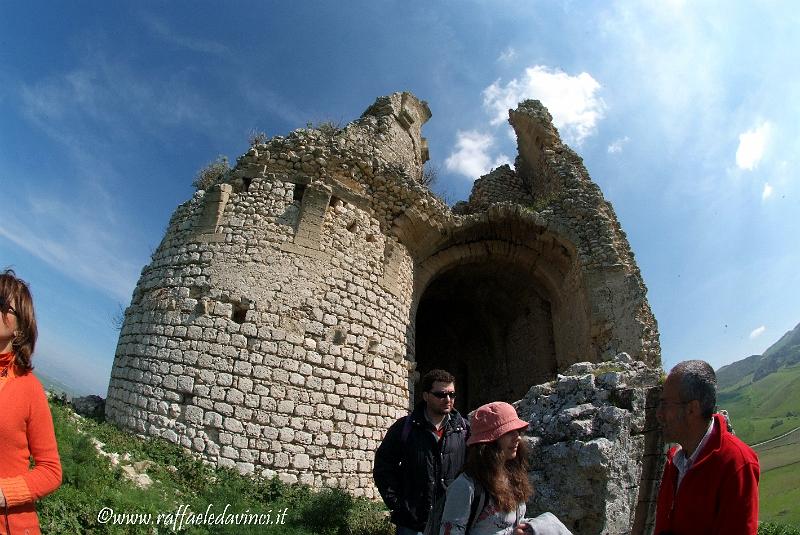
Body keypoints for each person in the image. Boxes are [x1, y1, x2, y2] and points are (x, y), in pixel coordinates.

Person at [655, 360, 759, 534]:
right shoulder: (676, 460)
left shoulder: (736, 463)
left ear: (692, 409)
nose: (658, 413)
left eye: (665, 404)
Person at [439, 401, 572, 535]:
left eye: (518, 431)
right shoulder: (465, 487)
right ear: (488, 443)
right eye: (509, 432)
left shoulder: (511, 476)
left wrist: (530, 528)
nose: (517, 437)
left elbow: (510, 524)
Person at [0, 269, 62, 535]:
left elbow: (51, 470)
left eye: (2, 305)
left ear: (20, 328)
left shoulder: (29, 389)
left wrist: (4, 492)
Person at [374, 369, 469, 535]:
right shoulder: (405, 428)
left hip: (451, 523)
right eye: (440, 394)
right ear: (426, 396)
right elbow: (384, 466)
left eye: (452, 394)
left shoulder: (464, 430)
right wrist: (398, 504)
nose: (447, 399)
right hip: (413, 523)